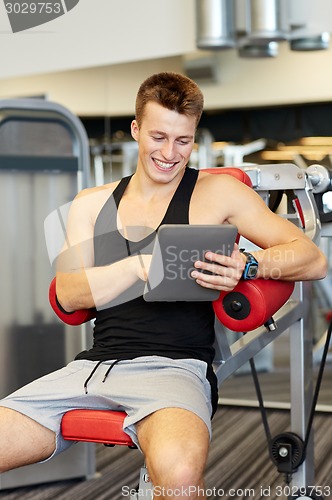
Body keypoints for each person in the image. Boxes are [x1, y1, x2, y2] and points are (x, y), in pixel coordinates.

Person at [0, 72, 327, 499]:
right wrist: (139, 266)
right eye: (158, 137)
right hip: (89, 370)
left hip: (173, 370)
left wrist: (249, 265)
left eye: (183, 141)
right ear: (136, 129)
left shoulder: (216, 193)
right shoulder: (91, 203)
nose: (170, 154)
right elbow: (68, 293)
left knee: (178, 477)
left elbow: (312, 257)